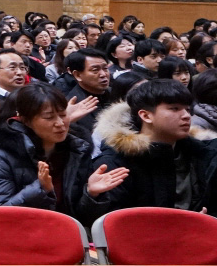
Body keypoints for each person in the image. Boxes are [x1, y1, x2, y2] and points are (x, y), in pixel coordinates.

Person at [0, 82, 120, 224]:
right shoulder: (1, 156)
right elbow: (1, 214)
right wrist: (40, 189)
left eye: (63, 115)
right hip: (24, 232)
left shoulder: (76, 150)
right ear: (25, 120)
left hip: (65, 232)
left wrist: (91, 194)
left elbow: (80, 218)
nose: (60, 123)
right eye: (49, 117)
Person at [92, 78, 217, 214]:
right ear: (146, 116)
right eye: (174, 109)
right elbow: (113, 219)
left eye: (187, 109)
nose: (186, 116)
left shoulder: (202, 152)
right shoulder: (116, 161)